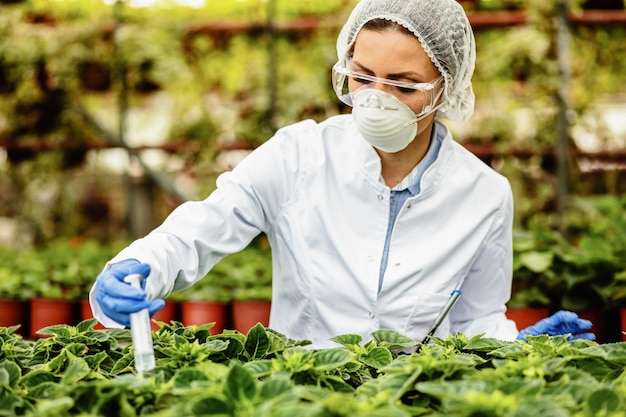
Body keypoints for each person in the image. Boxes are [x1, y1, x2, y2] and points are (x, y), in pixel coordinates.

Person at [90, 0, 595, 348]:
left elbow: (475, 318)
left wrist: (514, 347)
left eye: (404, 84)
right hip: (301, 396)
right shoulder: (297, 155)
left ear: (446, 88)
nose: (377, 98)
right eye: (363, 76)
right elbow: (200, 228)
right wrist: (138, 266)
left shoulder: (484, 194)